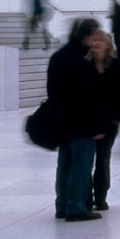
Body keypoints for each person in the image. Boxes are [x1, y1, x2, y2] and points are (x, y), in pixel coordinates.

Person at [46, 18, 104, 222]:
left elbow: (52, 91)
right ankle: (76, 206)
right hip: (82, 123)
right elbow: (90, 97)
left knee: (65, 164)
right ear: (88, 36)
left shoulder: (58, 57)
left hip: (62, 121)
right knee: (81, 164)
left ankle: (62, 204)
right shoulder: (83, 62)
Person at [86, 29, 120, 212]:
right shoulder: (85, 66)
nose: (96, 44)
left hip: (108, 122)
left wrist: (115, 118)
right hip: (87, 121)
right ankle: (86, 198)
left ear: (108, 45)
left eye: (100, 41)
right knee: (85, 161)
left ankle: (100, 198)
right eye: (93, 40)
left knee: (102, 160)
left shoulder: (115, 66)